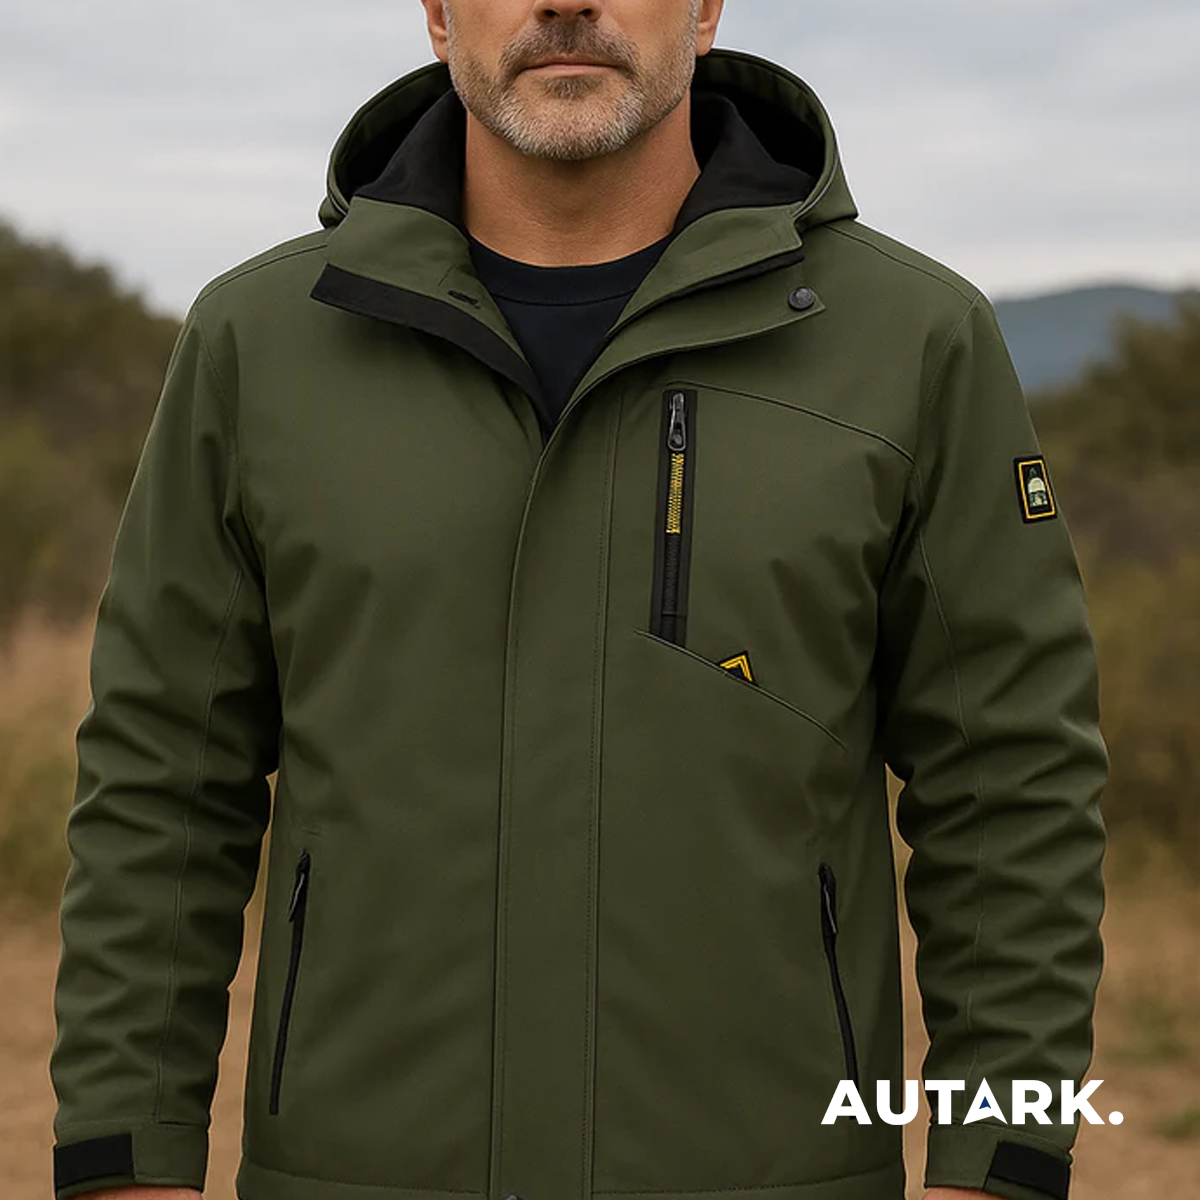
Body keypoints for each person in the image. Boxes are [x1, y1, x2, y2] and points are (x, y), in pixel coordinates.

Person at [49, 2, 1108, 1200]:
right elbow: (161, 779)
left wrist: (1003, 1162)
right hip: (357, 1172)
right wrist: (123, 1159)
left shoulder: (916, 343)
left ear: (705, 7)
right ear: (438, 12)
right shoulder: (257, 346)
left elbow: (1014, 780)